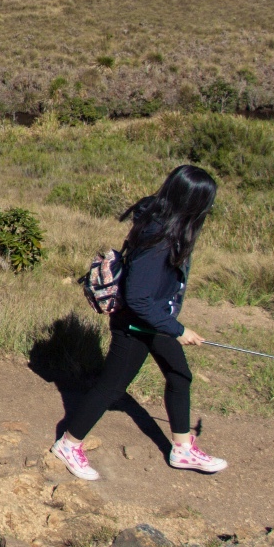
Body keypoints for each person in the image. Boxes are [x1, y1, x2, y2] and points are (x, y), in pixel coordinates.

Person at [51, 164, 228, 478]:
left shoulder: (161, 223)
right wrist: (178, 329)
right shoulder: (158, 239)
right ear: (191, 204)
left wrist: (170, 323)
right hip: (135, 325)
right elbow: (138, 298)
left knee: (179, 374)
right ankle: (68, 443)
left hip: (154, 321)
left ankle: (183, 449)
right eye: (205, 205)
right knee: (111, 387)